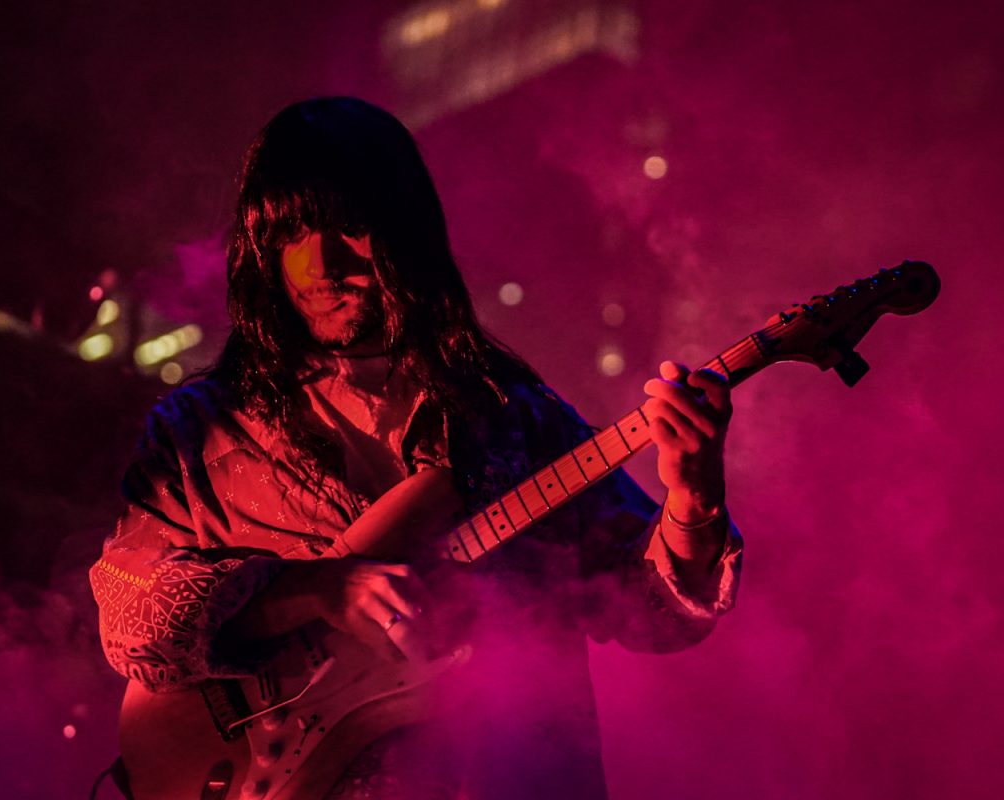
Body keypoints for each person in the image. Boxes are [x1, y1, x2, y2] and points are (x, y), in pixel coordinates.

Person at [89, 96, 742, 800]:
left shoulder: (514, 420)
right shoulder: (201, 428)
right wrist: (314, 591)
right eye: (292, 234)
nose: (320, 265)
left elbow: (653, 614)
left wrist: (694, 498)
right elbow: (131, 622)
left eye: (348, 226)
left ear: (406, 232)